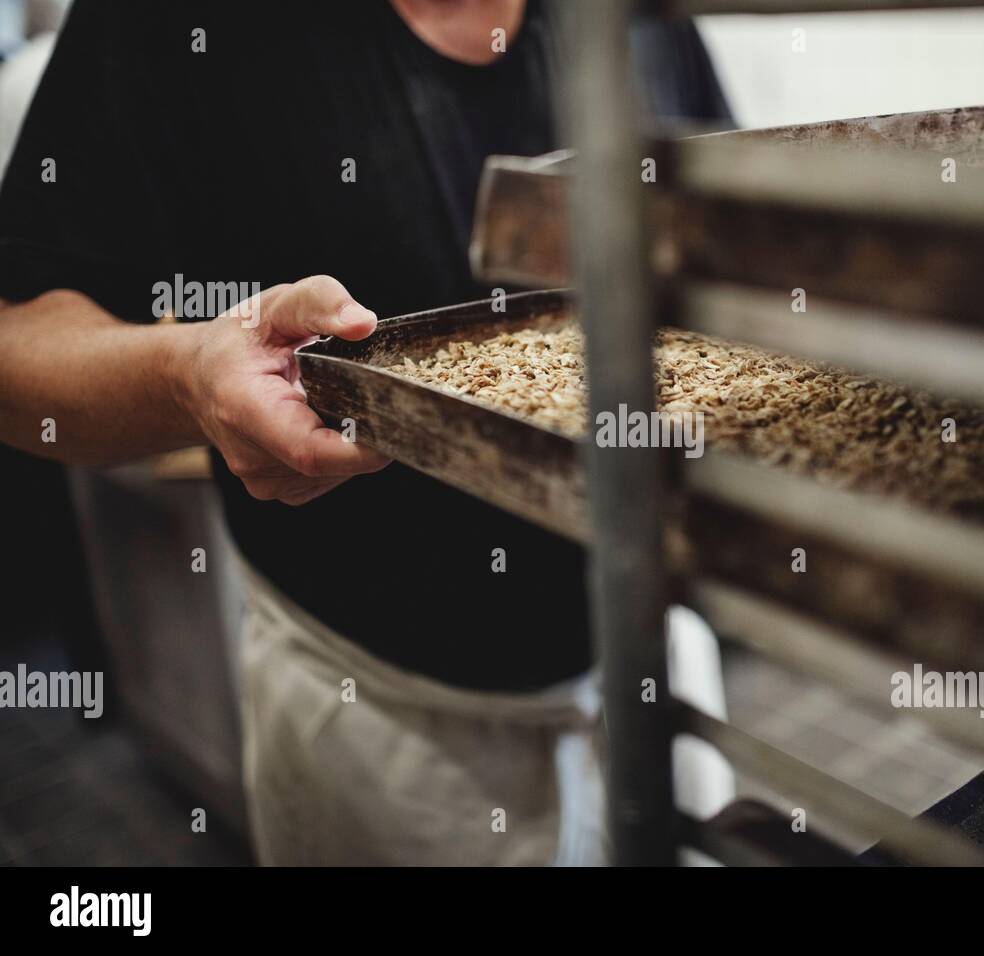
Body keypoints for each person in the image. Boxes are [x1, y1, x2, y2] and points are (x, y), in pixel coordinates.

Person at [0, 0, 733, 865]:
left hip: (656, 672)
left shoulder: (637, 20)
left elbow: (727, 252)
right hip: (389, 733)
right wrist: (185, 376)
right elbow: (18, 339)